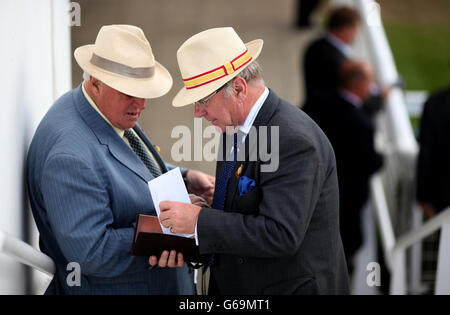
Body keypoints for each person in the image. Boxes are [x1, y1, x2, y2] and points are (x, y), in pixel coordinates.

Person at [151, 27, 349, 295]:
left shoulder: (293, 140)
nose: (198, 113)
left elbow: (281, 233)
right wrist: (210, 207)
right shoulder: (235, 124)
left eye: (202, 100)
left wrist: (200, 221)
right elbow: (258, 207)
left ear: (239, 88)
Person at [26, 24, 214, 295]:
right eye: (129, 92)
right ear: (96, 82)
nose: (141, 103)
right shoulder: (69, 158)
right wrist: (166, 235)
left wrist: (183, 178)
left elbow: (127, 161)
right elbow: (91, 252)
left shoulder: (96, 106)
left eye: (144, 91)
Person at [303, 60, 384, 270]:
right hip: (345, 203)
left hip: (308, 190)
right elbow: (370, 163)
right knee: (344, 251)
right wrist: (383, 157)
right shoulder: (362, 125)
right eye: (370, 83)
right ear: (359, 86)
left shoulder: (317, 102)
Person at [302, 6, 389, 117]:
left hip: (311, 109)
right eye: (355, 29)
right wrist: (379, 99)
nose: (356, 34)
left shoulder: (314, 46)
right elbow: (351, 98)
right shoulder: (337, 62)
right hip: (324, 119)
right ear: (345, 30)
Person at [416, 86, 450, 218]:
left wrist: (422, 194)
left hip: (442, 194)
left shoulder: (435, 103)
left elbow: (426, 152)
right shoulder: (435, 103)